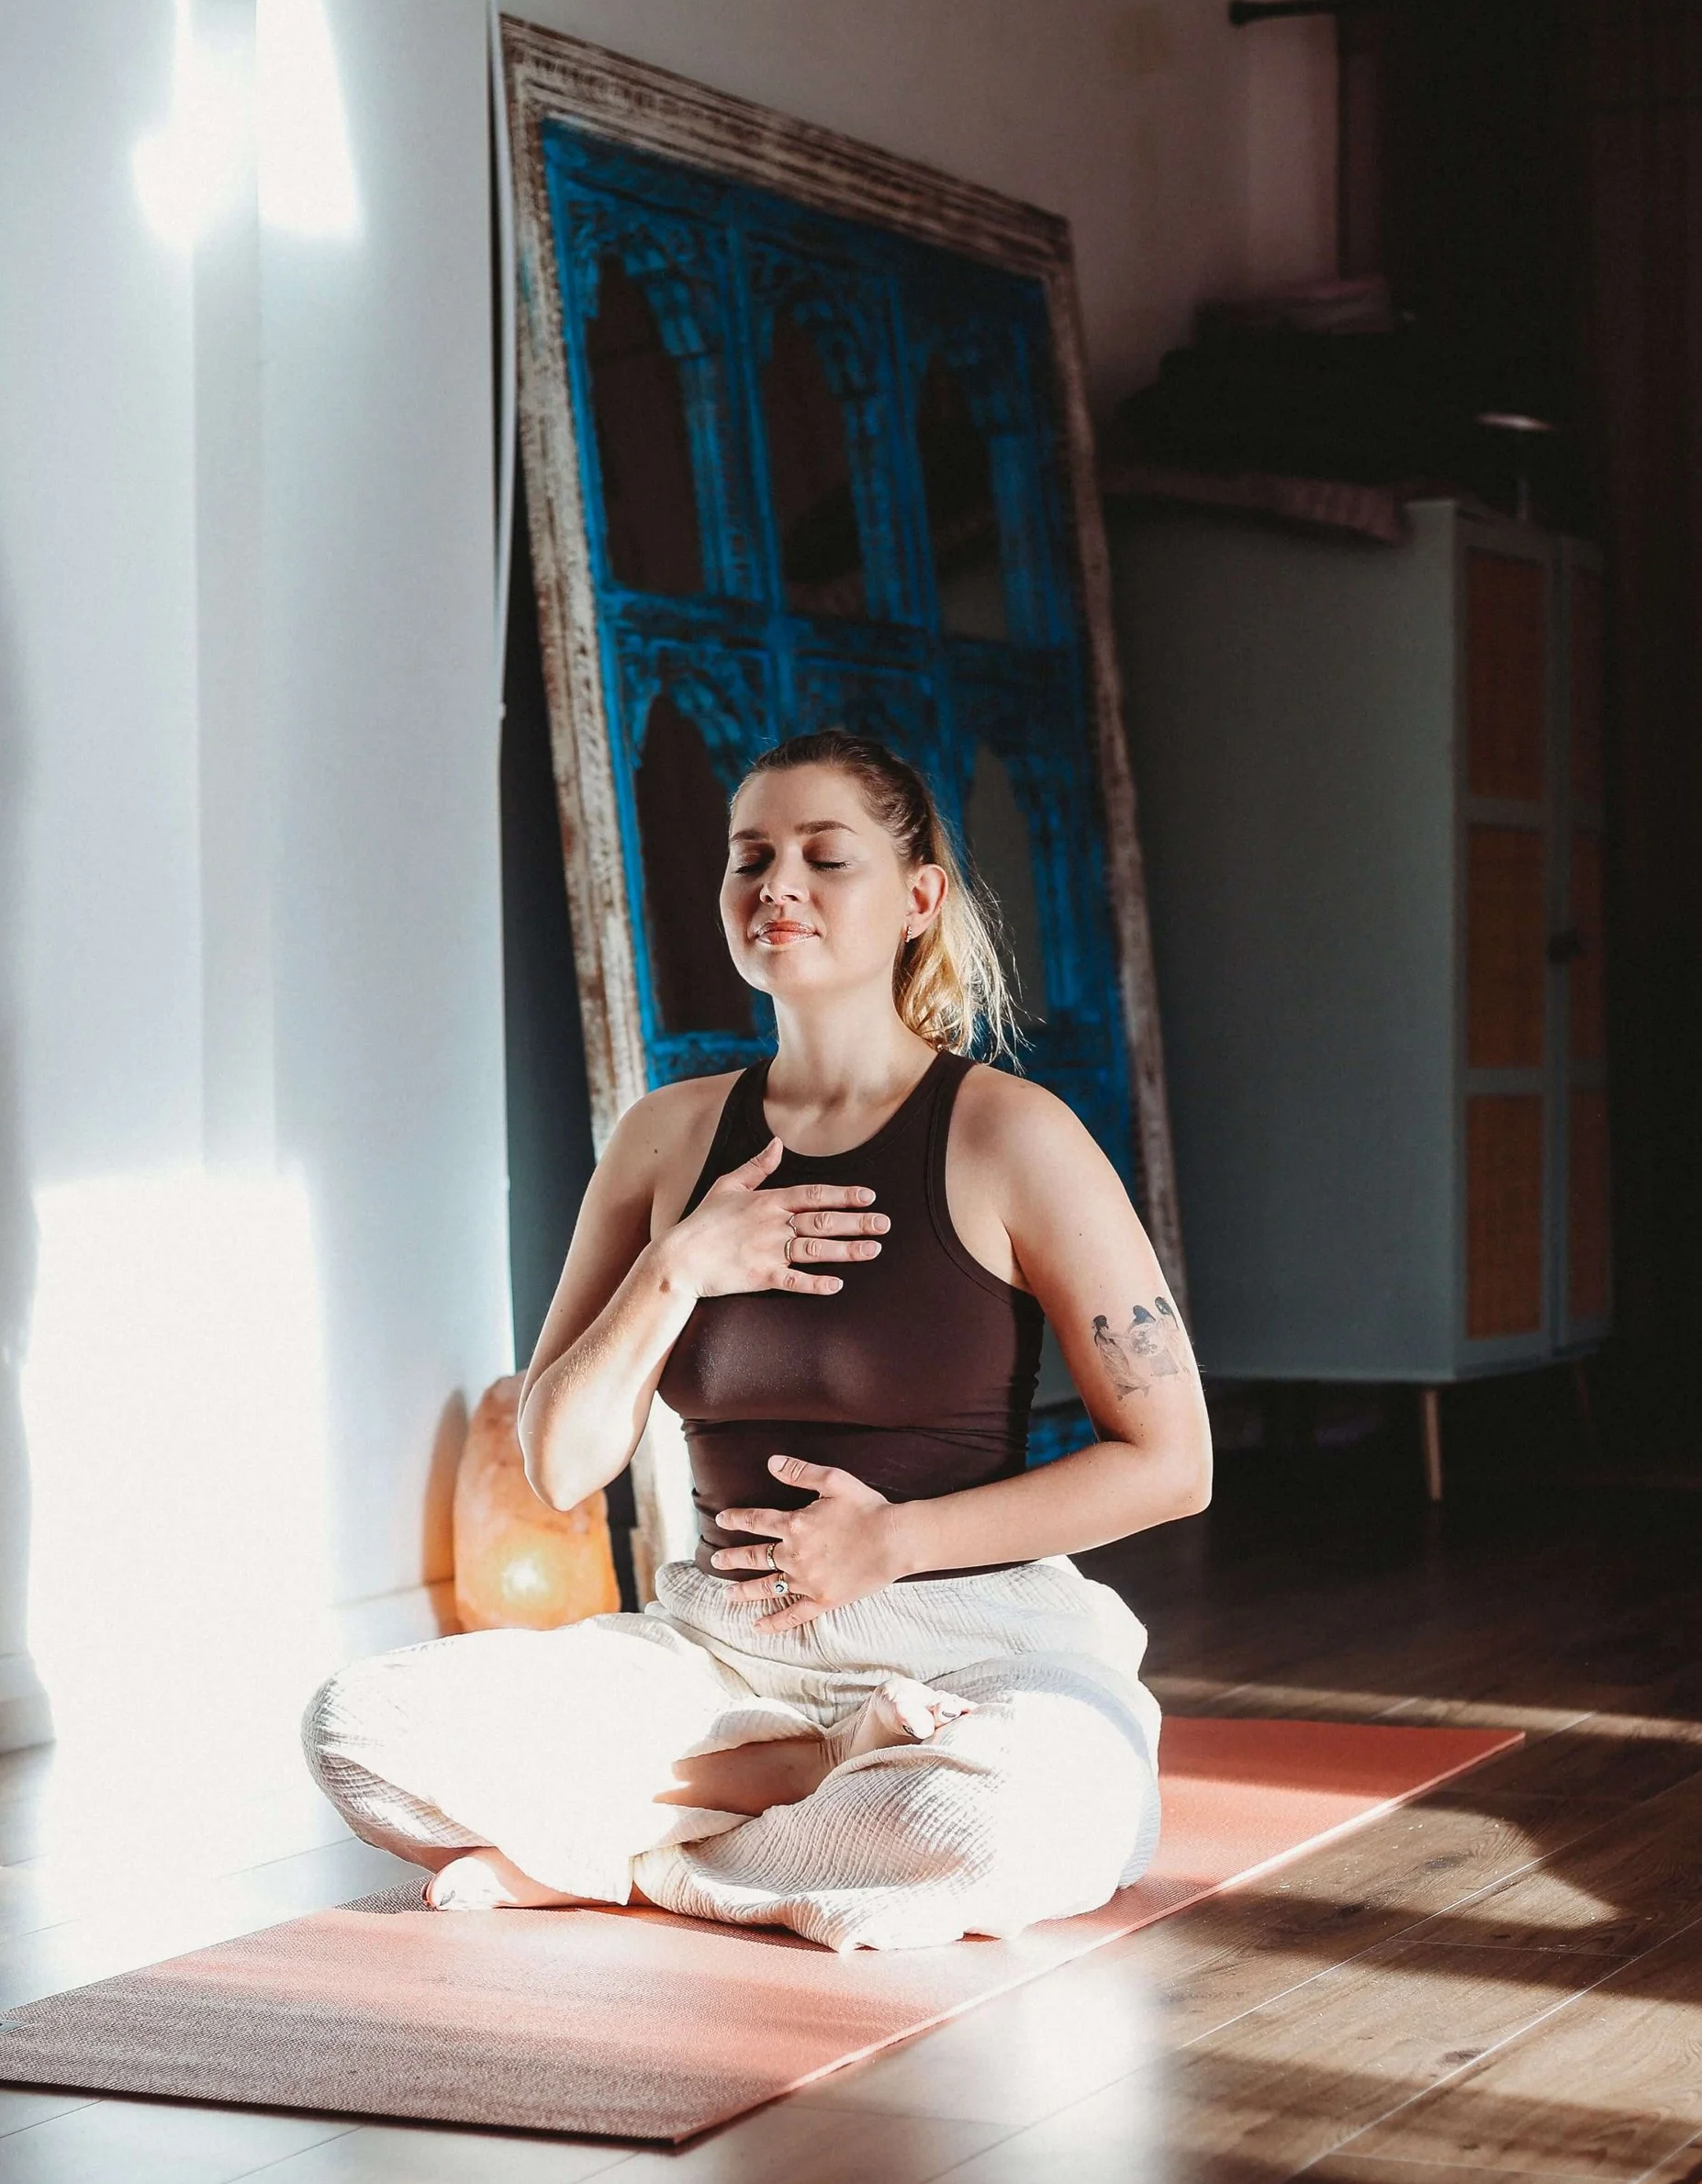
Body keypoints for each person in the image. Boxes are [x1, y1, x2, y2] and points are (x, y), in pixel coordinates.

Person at [303, 729, 1209, 1954]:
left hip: (979, 1647)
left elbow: (1173, 1460)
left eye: (825, 856)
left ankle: (617, 1852)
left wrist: (893, 1539)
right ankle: (814, 1778)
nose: (776, 886)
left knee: (996, 1818)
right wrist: (681, 1265)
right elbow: (562, 1465)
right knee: (361, 1724)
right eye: (750, 858)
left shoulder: (1013, 1135)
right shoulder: (667, 1140)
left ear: (918, 900)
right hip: (717, 1658)